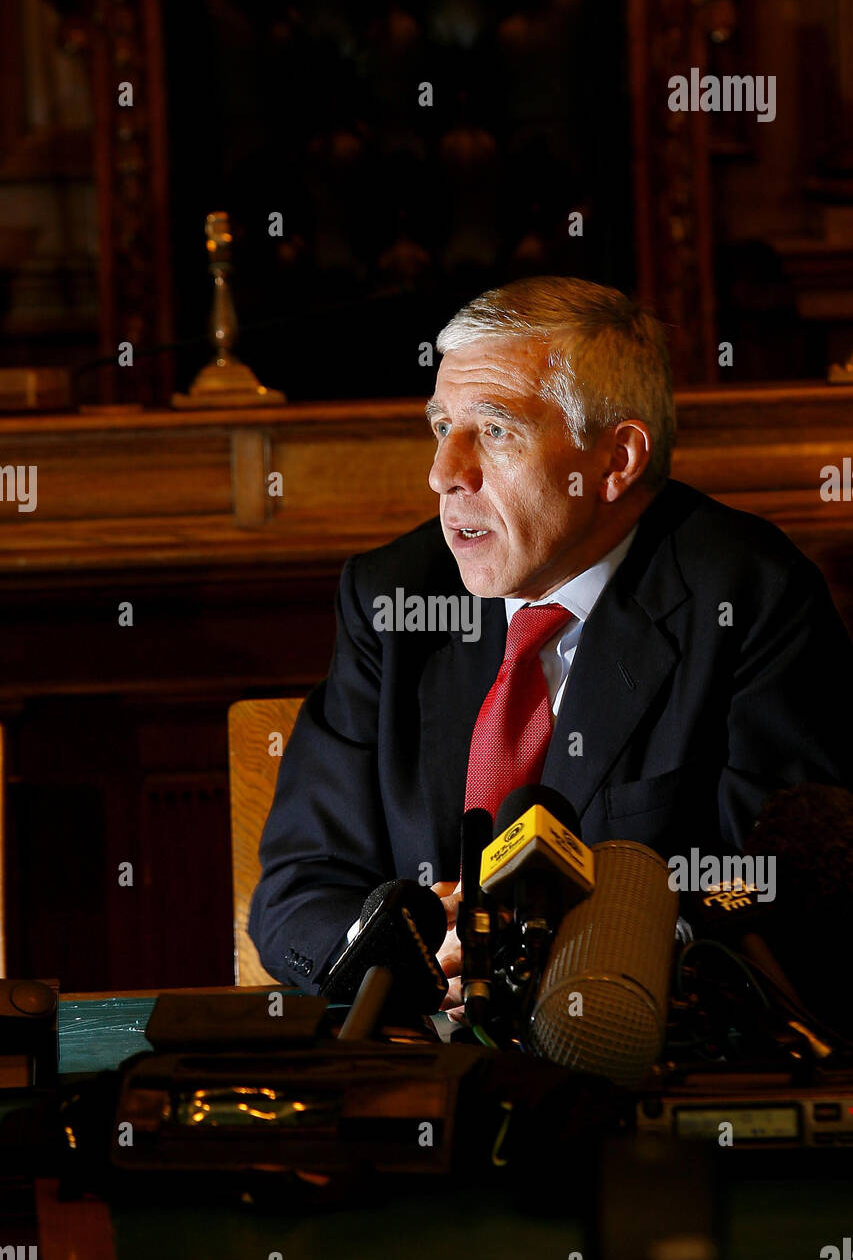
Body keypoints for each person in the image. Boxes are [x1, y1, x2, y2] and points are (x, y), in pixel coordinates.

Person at [248, 276, 853, 1013]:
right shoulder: (394, 599)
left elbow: (776, 898)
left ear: (615, 460)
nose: (443, 473)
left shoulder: (747, 595)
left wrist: (532, 956)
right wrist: (401, 950)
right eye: (442, 427)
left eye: (495, 430)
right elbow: (299, 890)